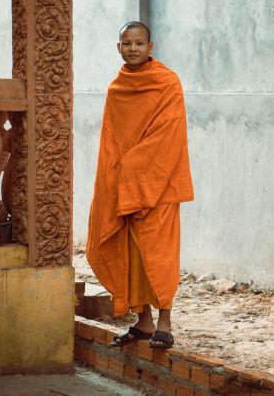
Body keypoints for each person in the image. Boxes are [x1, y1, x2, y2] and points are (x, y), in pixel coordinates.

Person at [86, 21, 194, 349]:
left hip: (157, 184)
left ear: (151, 46)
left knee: (158, 251)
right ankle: (143, 321)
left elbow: (169, 135)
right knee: (131, 253)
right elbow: (111, 143)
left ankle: (165, 321)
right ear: (118, 47)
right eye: (127, 43)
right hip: (123, 188)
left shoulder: (167, 83)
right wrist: (114, 181)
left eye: (139, 43)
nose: (133, 48)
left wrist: (132, 168)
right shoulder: (116, 89)